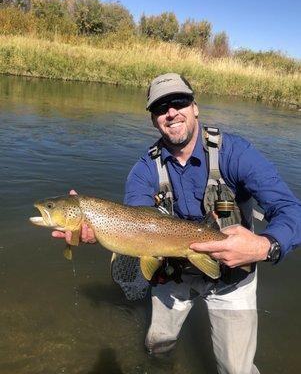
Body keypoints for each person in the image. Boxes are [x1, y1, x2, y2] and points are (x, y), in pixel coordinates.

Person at [53, 73, 301, 374]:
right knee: (157, 345)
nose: (171, 113)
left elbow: (291, 210)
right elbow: (137, 224)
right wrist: (98, 228)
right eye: (160, 108)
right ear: (153, 120)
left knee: (236, 369)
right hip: (173, 276)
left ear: (194, 106)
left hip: (233, 275)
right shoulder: (143, 171)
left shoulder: (236, 154)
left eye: (179, 102)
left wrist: (265, 246)